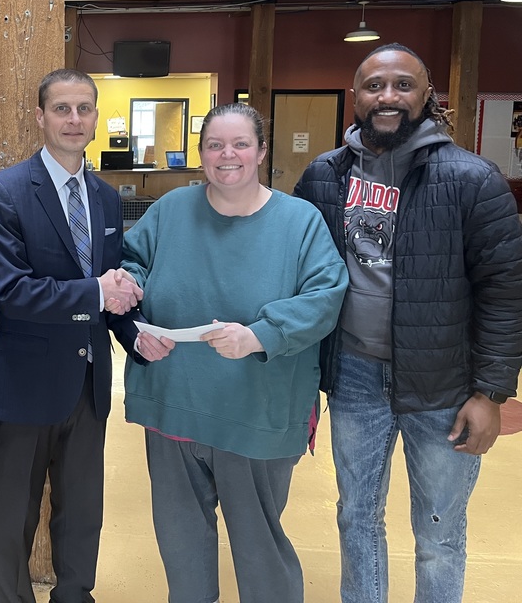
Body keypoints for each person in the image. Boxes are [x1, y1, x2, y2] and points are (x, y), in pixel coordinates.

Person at [294, 43, 522, 603]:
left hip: (444, 385)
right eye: (374, 86)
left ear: (427, 96)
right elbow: (294, 269)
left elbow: (505, 290)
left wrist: (490, 392)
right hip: (353, 377)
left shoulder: (472, 179)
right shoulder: (325, 176)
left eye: (403, 85)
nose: (387, 96)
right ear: (356, 97)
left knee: (439, 531)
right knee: (357, 517)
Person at [122, 103, 349, 603]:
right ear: (201, 153)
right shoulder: (171, 209)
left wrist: (259, 335)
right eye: (214, 145)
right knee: (181, 546)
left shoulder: (299, 222)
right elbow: (131, 264)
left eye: (241, 144)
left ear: (262, 151)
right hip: (173, 402)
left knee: (259, 547)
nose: (228, 156)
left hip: (256, 412)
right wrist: (131, 305)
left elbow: (326, 295)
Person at [0, 68, 151, 603]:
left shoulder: (102, 195)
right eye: (61, 109)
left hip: (89, 380)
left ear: (96, 117)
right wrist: (101, 294)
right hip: (27, 384)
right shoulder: (3, 192)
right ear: (40, 117)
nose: (73, 120)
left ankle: (75, 595)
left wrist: (135, 332)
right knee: (13, 515)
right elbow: (14, 292)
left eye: (83, 109)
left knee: (83, 512)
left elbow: (112, 285)